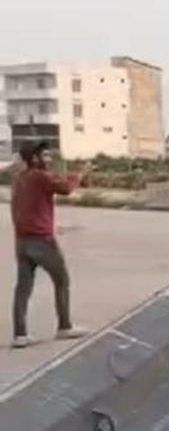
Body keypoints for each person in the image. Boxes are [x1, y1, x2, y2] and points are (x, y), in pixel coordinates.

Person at [10, 142, 89, 349]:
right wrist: (80, 174)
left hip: (22, 241)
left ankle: (20, 334)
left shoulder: (20, 178)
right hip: (42, 241)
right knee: (62, 280)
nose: (49, 159)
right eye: (45, 155)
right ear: (34, 158)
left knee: (23, 289)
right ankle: (64, 327)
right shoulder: (40, 177)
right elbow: (66, 188)